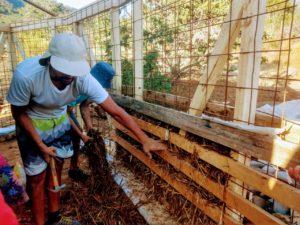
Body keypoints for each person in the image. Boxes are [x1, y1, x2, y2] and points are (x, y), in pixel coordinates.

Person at [7, 32, 166, 225]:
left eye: (74, 72)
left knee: (56, 168)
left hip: (59, 121)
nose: (71, 78)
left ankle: (55, 218)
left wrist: (144, 139)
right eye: (65, 74)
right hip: (32, 123)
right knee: (37, 178)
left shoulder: (83, 79)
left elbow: (116, 111)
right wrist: (40, 145)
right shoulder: (26, 75)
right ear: (50, 61)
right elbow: (19, 113)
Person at [67, 61, 115, 181]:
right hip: (55, 111)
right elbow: (64, 113)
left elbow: (84, 105)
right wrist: (80, 134)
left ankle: (73, 168)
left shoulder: (92, 87)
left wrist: (89, 128)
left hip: (66, 111)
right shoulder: (79, 85)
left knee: (77, 134)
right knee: (73, 134)